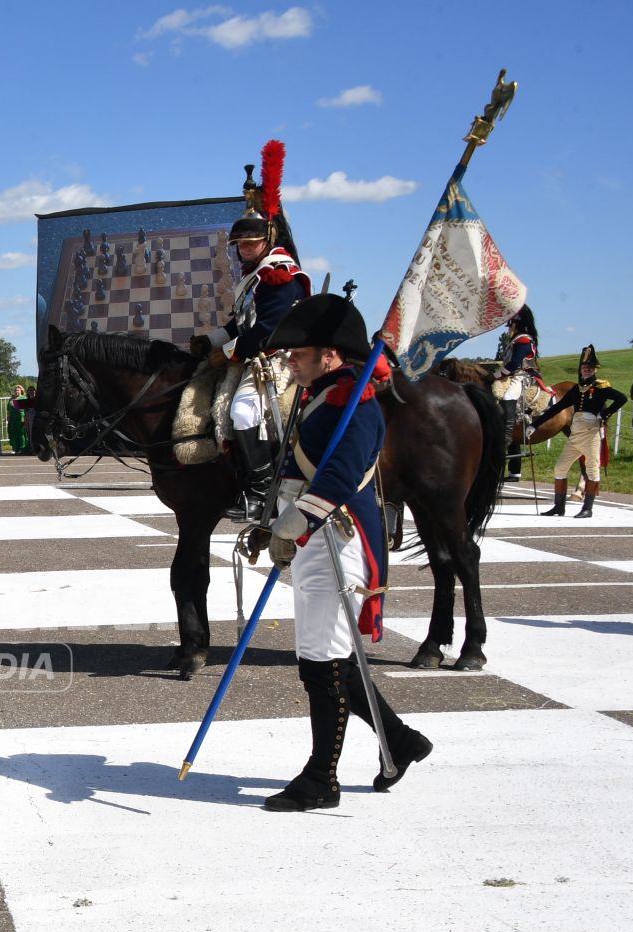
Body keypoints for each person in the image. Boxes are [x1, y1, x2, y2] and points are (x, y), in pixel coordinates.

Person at [260, 293, 432, 811]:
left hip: (337, 535)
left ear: (330, 355)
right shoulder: (322, 394)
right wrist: (276, 520)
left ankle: (321, 779)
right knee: (327, 655)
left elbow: (342, 473)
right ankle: (398, 741)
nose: (291, 359)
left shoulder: (352, 402)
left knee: (322, 659)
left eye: (300, 351)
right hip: (314, 533)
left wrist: (293, 524)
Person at [202, 151, 308, 522]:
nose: (244, 249)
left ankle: (260, 494)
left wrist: (227, 354)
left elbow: (268, 330)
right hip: (254, 353)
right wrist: (212, 340)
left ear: (269, 239)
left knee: (243, 412)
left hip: (278, 357)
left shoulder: (277, 274)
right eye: (240, 245)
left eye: (250, 243)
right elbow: (241, 322)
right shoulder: (255, 275)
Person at [530, 345, 626, 517]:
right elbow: (557, 408)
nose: (586, 370)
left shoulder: (601, 388)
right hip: (575, 434)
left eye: (589, 368)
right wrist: (535, 425)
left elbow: (621, 398)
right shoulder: (576, 389)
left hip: (591, 433)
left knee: (592, 470)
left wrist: (606, 413)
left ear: (594, 370)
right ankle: (559, 506)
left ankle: (587, 508)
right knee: (560, 468)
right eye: (584, 368)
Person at [495, 305, 538, 478]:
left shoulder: (523, 340)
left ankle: (506, 433)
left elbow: (513, 364)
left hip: (521, 377)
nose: (509, 327)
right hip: (512, 375)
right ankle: (515, 471)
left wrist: (496, 375)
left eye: (510, 324)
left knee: (507, 395)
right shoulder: (517, 339)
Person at [8, 384, 31, 454]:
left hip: (21, 418)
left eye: (17, 390)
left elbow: (26, 410)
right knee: (14, 433)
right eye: (15, 390)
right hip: (13, 418)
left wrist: (25, 418)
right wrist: (8, 417)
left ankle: (22, 448)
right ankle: (15, 448)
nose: (16, 391)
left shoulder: (23, 398)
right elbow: (9, 409)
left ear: (21, 391)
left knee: (21, 433)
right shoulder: (11, 399)